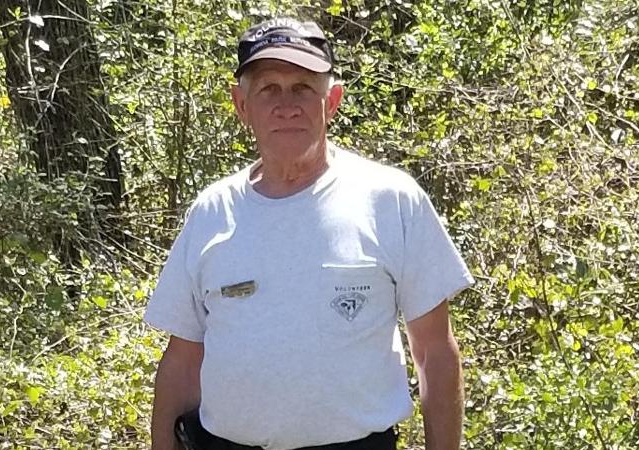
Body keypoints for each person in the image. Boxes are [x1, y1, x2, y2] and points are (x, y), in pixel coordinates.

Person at [144, 17, 474, 450]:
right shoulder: (212, 211)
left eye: (303, 87)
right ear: (241, 106)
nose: (287, 105)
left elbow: (435, 354)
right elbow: (184, 361)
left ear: (331, 100)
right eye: (268, 89)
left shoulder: (390, 200)